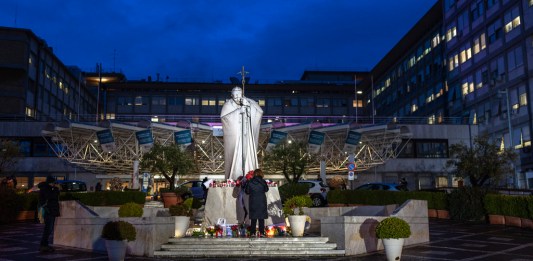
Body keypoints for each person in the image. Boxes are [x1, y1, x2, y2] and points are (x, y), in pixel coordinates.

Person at [221, 86, 263, 180]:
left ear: (242, 94)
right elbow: (224, 118)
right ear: (231, 95)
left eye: (239, 95)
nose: (237, 98)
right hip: (236, 137)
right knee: (236, 156)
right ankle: (235, 176)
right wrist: (238, 111)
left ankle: (249, 172)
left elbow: (259, 112)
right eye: (234, 96)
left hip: (247, 135)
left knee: (248, 153)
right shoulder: (228, 105)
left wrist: (248, 106)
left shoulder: (249, 101)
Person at [38, 175, 60, 252]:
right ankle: (43, 245)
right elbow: (51, 196)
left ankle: (44, 244)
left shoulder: (47, 188)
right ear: (51, 183)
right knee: (48, 229)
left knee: (49, 229)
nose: (55, 184)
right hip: (49, 211)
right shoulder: (46, 188)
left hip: (50, 210)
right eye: (54, 183)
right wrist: (56, 189)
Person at [244, 169, 269, 237]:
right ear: (261, 174)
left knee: (253, 218)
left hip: (253, 201)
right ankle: (262, 233)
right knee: (261, 218)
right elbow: (266, 189)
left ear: (254, 174)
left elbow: (247, 191)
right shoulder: (263, 181)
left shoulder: (250, 181)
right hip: (261, 201)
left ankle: (252, 233)